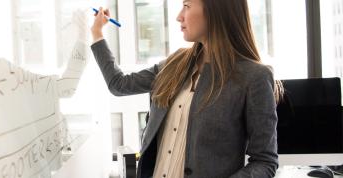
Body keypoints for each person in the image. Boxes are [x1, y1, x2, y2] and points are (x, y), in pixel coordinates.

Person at [90, 0, 283, 177]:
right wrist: (97, 33)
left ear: (215, 9)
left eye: (187, 5)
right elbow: (119, 84)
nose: (179, 16)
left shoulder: (254, 77)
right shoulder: (174, 63)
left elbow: (265, 162)